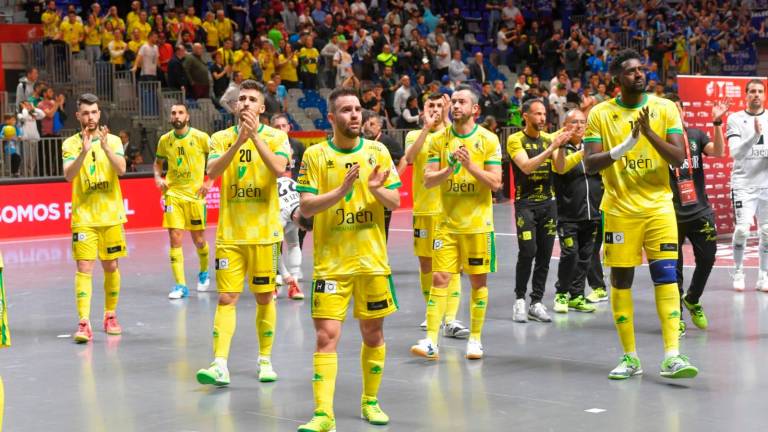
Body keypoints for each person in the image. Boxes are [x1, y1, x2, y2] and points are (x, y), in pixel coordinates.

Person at [583, 49, 698, 380]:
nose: (639, 74)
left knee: (666, 275)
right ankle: (630, 357)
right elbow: (589, 163)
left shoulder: (664, 108)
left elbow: (678, 158)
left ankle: (673, 355)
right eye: (631, 71)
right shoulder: (600, 114)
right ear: (617, 78)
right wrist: (625, 147)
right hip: (619, 210)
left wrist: (647, 134)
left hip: (658, 208)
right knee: (621, 281)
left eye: (641, 70)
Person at [296, 87, 401, 431]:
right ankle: (323, 414)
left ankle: (371, 402)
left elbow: (395, 202)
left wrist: (373, 189)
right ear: (331, 118)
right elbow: (306, 207)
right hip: (331, 264)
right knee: (326, 337)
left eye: (357, 109)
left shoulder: (378, 151)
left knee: (373, 334)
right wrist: (340, 191)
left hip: (371, 262)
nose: (355, 115)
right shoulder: (314, 155)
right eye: (346, 110)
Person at [195, 80, 290, 387]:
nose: (246, 103)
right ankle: (220, 363)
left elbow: (278, 168)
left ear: (262, 108)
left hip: (265, 234)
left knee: (265, 297)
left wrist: (254, 138)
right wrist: (239, 141)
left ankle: (265, 360)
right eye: (241, 99)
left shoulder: (277, 136)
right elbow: (212, 172)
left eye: (252, 99)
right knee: (226, 297)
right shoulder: (220, 138)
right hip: (230, 235)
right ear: (235, 106)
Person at [411, 85, 502, 361]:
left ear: (475, 109)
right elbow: (428, 179)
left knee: (477, 282)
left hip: (477, 226)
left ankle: (475, 339)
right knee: (439, 278)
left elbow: (496, 183)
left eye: (462, 102)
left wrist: (471, 166)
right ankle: (431, 340)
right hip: (446, 225)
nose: (456, 106)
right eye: (455, 102)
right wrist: (449, 168)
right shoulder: (440, 140)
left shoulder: (488, 139)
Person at [61, 93, 127, 344]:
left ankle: (110, 315)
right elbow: (69, 176)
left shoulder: (113, 140)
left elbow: (121, 170)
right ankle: (84, 321)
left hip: (111, 216)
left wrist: (106, 147)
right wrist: (84, 151)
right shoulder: (70, 144)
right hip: (84, 217)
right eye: (85, 113)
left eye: (94, 112)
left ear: (99, 114)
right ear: (78, 115)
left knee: (111, 266)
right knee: (84, 267)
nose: (90, 117)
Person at [404, 93, 468, 337]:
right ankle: (432, 309)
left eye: (440, 106)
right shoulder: (414, 135)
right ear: (423, 109)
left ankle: (450, 318)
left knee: (452, 266)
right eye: (430, 105)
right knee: (426, 263)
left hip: (448, 209)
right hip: (423, 208)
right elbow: (409, 158)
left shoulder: (453, 133)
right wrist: (426, 129)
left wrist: (449, 117)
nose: (435, 109)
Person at [665, 94, 727, 334]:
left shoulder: (696, 135)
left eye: (677, 109)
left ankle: (692, 298)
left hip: (700, 211)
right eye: (669, 111)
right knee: (674, 267)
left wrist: (717, 123)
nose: (675, 114)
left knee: (708, 257)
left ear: (683, 112)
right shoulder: (658, 141)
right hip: (670, 214)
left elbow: (719, 151)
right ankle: (676, 316)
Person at [507, 100, 571, 323]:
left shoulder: (548, 140)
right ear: (526, 116)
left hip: (548, 204)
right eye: (537, 114)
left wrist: (561, 147)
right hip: (525, 204)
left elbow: (561, 168)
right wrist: (552, 147)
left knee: (544, 254)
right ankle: (519, 300)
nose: (543, 118)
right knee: (528, 251)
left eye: (544, 114)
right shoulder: (515, 140)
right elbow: (526, 166)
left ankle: (536, 302)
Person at [153, 103, 213, 300]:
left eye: (180, 112)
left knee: (199, 240)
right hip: (174, 195)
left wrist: (210, 181)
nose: (176, 116)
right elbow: (158, 162)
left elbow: (215, 160)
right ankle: (180, 285)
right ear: (170, 118)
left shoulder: (201, 138)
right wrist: (158, 177)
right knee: (175, 237)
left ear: (187, 116)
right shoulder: (164, 140)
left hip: (195, 196)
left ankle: (204, 271)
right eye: (173, 113)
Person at [551, 109, 601, 314]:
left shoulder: (594, 146)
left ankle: (577, 295)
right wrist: (584, 151)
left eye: (583, 122)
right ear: (565, 125)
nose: (580, 126)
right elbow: (560, 166)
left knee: (585, 256)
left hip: (592, 213)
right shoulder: (559, 145)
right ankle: (561, 293)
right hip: (568, 215)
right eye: (574, 122)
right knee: (570, 254)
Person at [726, 79, 768, 291]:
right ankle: (739, 270)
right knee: (742, 230)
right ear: (746, 94)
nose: (756, 95)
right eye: (752, 91)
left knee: (767, 231)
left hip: (766, 185)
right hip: (743, 184)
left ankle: (764, 275)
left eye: (760, 91)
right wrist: (756, 136)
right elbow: (735, 153)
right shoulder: (735, 119)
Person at [362, 110, 404, 239]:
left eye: (372, 124)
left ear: (379, 126)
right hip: (368, 190)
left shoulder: (386, 141)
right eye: (366, 124)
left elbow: (404, 158)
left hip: (383, 189)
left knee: (382, 230)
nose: (368, 127)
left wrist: (395, 175)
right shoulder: (364, 142)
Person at [276, 175, 310, 300]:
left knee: (294, 242)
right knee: (270, 245)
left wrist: (292, 279)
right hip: (271, 209)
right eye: (302, 227)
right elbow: (273, 248)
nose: (303, 230)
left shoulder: (305, 205)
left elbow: (294, 244)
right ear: (296, 218)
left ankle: (294, 285)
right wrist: (285, 274)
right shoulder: (279, 216)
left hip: (290, 204)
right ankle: (272, 280)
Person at [271, 113, 304, 180]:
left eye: (283, 126)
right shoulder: (266, 147)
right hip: (274, 186)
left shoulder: (297, 145)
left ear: (288, 127)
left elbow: (305, 167)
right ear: (271, 128)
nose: (281, 129)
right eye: (277, 126)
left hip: (295, 186)